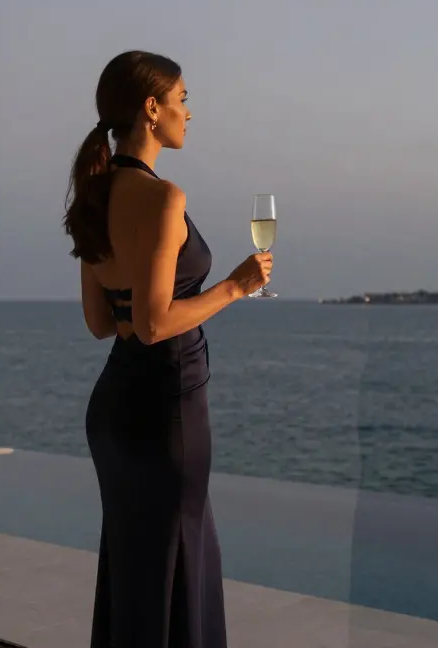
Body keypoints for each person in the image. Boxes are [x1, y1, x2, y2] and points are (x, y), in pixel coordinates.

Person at [65, 50, 272, 648]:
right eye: (182, 99)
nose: (189, 111)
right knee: (181, 563)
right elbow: (155, 325)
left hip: (114, 410)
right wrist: (234, 286)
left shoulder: (93, 196)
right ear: (152, 110)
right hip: (167, 408)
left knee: (136, 572)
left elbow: (102, 322)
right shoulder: (163, 198)